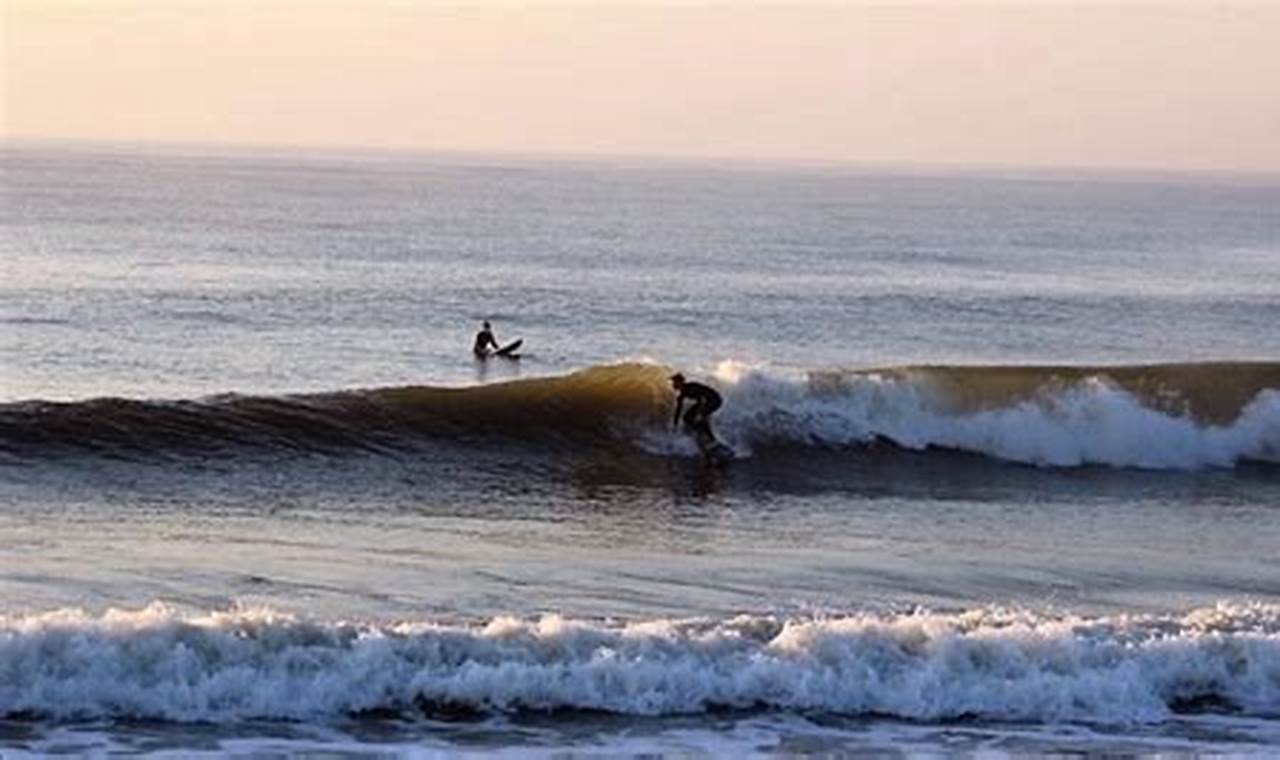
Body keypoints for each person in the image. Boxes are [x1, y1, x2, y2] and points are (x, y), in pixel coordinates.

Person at [670, 373, 723, 440]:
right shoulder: (682, 394)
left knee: (701, 416)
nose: (673, 384)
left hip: (714, 399)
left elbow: (702, 399)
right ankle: (697, 434)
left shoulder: (691, 387)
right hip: (706, 401)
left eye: (674, 382)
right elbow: (678, 410)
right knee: (686, 418)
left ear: (680, 382)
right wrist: (675, 424)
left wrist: (699, 413)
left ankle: (710, 438)